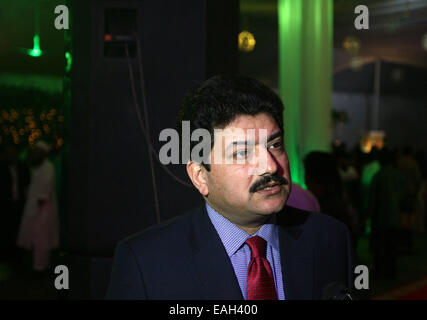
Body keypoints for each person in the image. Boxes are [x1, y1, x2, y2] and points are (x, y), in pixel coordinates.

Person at [107, 75, 355, 300]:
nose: (269, 166)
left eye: (275, 144)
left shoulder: (330, 239)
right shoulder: (146, 263)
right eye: (242, 152)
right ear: (200, 176)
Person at [16, 140, 59, 273]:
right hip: (34, 208)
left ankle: (40, 267)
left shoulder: (48, 167)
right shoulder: (36, 166)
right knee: (33, 239)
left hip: (43, 210)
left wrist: (36, 208)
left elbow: (44, 193)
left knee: (42, 239)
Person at [0, 144, 30, 263]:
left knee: (18, 230)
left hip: (19, 204)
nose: (11, 154)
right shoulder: (2, 167)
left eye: (13, 152)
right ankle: (5, 256)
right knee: (5, 230)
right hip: (4, 204)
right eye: (9, 152)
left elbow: (27, 184)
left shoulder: (22, 167)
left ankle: (17, 257)